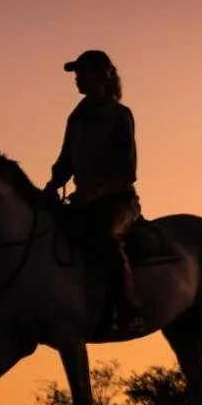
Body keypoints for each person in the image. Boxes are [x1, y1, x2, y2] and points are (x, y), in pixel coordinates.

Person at [43, 49, 145, 336]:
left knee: (104, 237)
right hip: (84, 199)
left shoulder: (120, 116)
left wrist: (96, 191)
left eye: (82, 72)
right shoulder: (76, 117)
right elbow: (65, 162)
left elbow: (127, 170)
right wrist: (51, 186)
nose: (77, 78)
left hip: (118, 200)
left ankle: (129, 309)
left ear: (101, 76)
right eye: (76, 73)